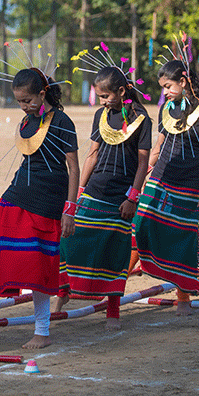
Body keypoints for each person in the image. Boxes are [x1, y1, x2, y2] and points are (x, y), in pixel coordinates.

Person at [0, 67, 79, 349]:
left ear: (42, 93)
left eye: (27, 100)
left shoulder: (62, 121)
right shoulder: (27, 121)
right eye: (19, 101)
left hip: (47, 200)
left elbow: (73, 168)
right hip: (17, 191)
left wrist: (70, 209)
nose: (23, 106)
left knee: (37, 267)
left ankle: (42, 331)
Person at [54, 66, 152, 330]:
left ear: (121, 92)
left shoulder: (142, 120)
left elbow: (143, 163)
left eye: (106, 96)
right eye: (99, 96)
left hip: (121, 198)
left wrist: (133, 197)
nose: (102, 101)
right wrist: (78, 194)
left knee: (115, 253)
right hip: (94, 192)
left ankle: (112, 310)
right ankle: (62, 294)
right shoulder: (100, 115)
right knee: (69, 242)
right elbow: (92, 155)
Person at [132, 59, 199, 316]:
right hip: (160, 178)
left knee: (181, 238)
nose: (165, 92)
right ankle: (125, 278)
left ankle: (184, 297)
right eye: (162, 88)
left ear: (183, 82)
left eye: (168, 86)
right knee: (139, 223)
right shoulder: (166, 109)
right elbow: (159, 147)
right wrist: (143, 175)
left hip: (190, 184)